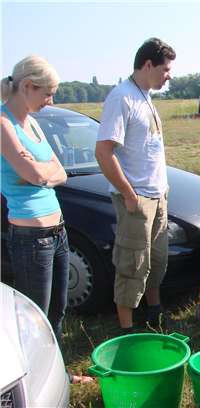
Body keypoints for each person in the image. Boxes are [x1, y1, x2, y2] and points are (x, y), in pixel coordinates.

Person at [1, 55, 92, 384]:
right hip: (30, 238)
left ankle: (57, 376)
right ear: (27, 86)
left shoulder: (33, 123)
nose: (51, 100)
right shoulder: (3, 124)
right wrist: (39, 172)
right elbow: (31, 172)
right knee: (33, 319)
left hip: (57, 232)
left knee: (57, 312)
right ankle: (33, 385)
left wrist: (42, 174)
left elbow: (58, 172)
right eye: (48, 93)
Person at [95, 38, 176, 333]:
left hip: (158, 196)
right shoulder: (122, 97)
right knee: (132, 265)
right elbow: (103, 152)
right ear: (148, 64)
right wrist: (129, 195)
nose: (169, 75)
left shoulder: (145, 95)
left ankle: (153, 314)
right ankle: (127, 330)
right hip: (137, 199)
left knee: (156, 261)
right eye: (165, 69)